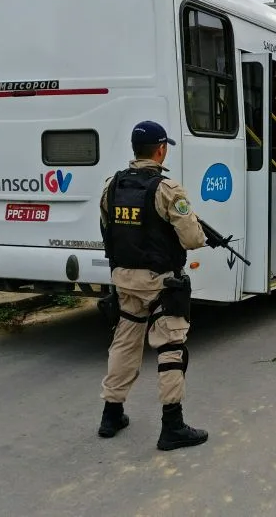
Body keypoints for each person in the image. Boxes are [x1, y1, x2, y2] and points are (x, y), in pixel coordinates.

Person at [97, 120, 218, 451]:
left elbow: (108, 227)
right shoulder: (168, 190)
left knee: (124, 343)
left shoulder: (112, 186)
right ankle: (172, 425)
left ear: (135, 149)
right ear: (161, 149)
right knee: (170, 348)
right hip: (160, 282)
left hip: (124, 279)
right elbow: (192, 238)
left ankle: (111, 414)